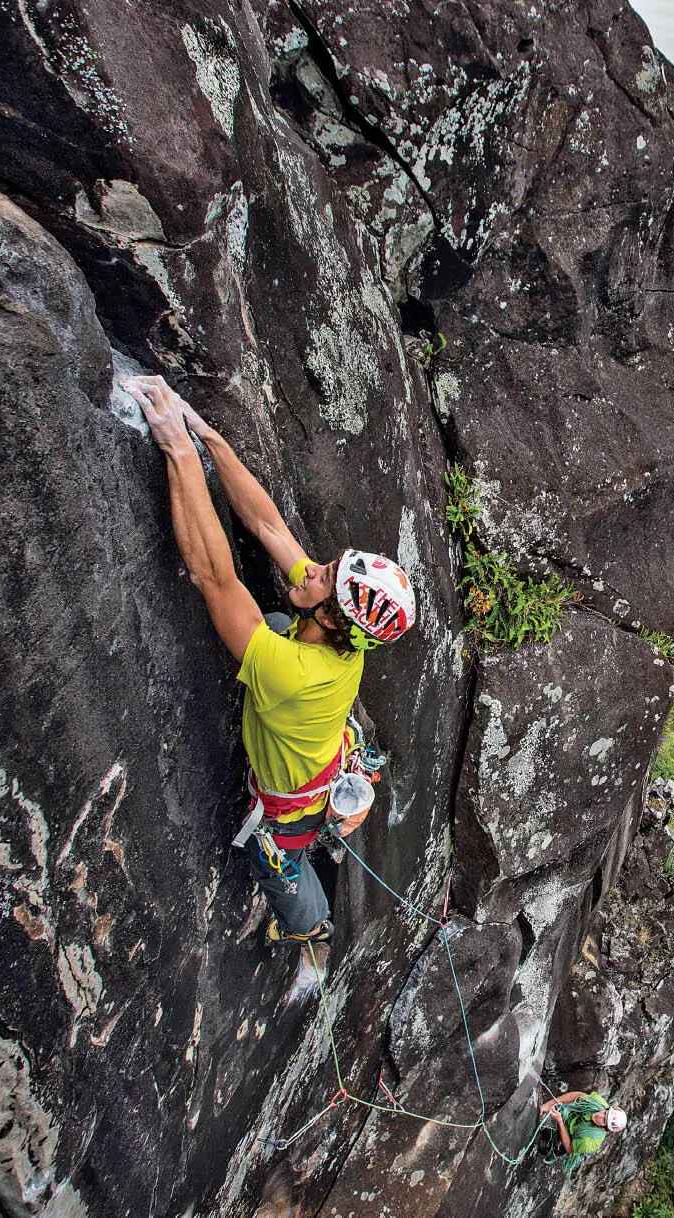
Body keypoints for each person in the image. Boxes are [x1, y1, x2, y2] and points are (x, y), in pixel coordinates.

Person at [127, 375, 416, 946]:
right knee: (280, 625)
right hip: (326, 750)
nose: (312, 570)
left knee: (275, 862)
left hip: (293, 802)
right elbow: (267, 525)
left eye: (325, 578)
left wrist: (177, 451)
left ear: (334, 618)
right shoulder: (339, 637)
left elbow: (213, 576)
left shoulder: (292, 671)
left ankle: (309, 926)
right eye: (327, 565)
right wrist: (206, 433)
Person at [538, 1089, 628, 1168]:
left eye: (603, 1120)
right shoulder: (598, 1103)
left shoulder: (589, 1142)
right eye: (605, 1113)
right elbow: (578, 1096)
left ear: (604, 1128)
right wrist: (549, 1104)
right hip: (570, 1117)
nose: (599, 1115)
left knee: (552, 1145)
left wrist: (560, 1121)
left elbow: (569, 1148)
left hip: (571, 1138)